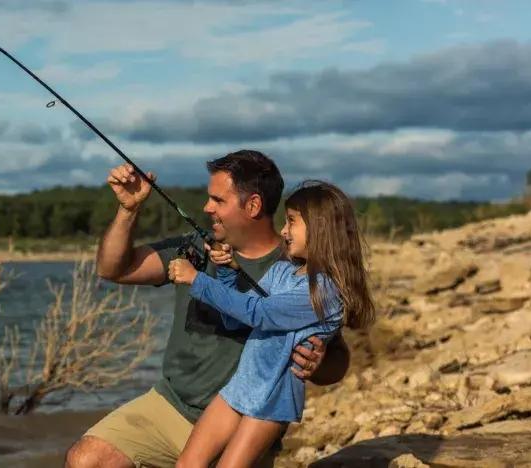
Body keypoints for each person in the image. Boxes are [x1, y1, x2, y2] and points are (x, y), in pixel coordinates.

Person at [65, 150, 351, 468]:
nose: (206, 208)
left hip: (246, 420)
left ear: (253, 205)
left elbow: (336, 361)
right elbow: (113, 269)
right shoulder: (192, 249)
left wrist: (319, 362)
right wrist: (128, 210)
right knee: (86, 459)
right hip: (171, 406)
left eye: (218, 200)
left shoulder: (297, 269)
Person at [169, 181, 376, 467]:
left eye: (291, 222)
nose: (283, 231)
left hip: (271, 402)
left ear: (320, 228)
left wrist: (197, 280)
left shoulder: (324, 292)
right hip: (241, 386)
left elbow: (259, 312)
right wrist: (227, 273)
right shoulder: (281, 271)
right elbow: (235, 319)